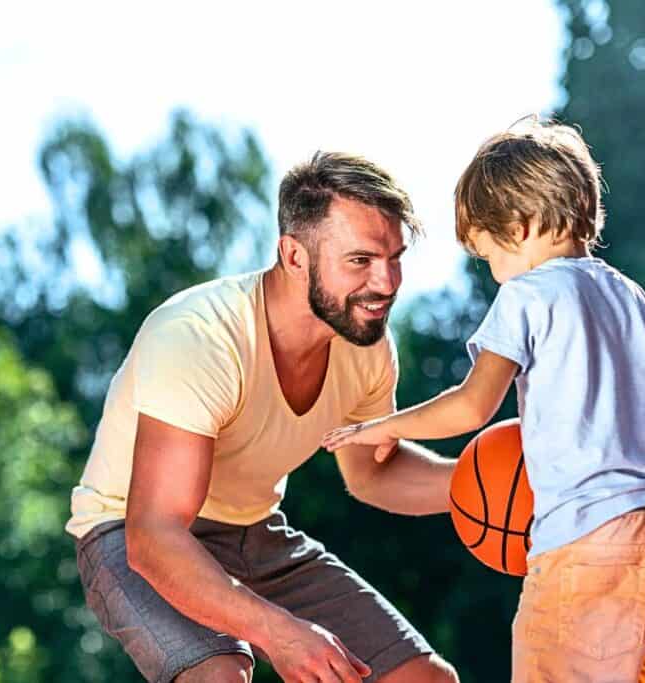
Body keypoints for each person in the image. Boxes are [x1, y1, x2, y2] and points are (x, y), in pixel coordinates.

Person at [322, 119, 645, 682]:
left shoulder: (527, 295)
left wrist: (382, 429)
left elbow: (472, 407)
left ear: (520, 225)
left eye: (489, 256)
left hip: (587, 540)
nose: (494, 273)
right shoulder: (629, 295)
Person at [67, 151, 460, 683]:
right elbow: (154, 535)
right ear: (294, 257)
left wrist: (494, 482)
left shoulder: (364, 343)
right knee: (221, 674)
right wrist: (279, 633)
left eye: (395, 257)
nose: (387, 283)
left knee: (421, 680)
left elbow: (373, 474)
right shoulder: (201, 336)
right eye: (361, 261)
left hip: (255, 533)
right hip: (130, 531)